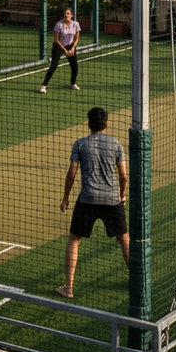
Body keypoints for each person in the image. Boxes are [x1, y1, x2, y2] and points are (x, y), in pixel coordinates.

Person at [56, 107, 129, 299]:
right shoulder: (115, 144)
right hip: (112, 200)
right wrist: (122, 195)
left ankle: (68, 288)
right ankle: (137, 281)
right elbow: (124, 176)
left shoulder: (80, 144)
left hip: (87, 199)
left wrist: (65, 198)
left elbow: (71, 174)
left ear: (88, 124)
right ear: (106, 124)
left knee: (74, 240)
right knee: (124, 239)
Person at [41, 8, 81, 93]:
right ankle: (43, 86)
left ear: (72, 15)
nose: (66, 15)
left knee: (75, 66)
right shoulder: (58, 25)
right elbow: (56, 40)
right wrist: (65, 50)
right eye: (65, 14)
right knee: (53, 66)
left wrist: (72, 48)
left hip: (70, 46)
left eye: (68, 14)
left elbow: (76, 37)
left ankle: (73, 83)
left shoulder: (76, 24)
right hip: (58, 46)